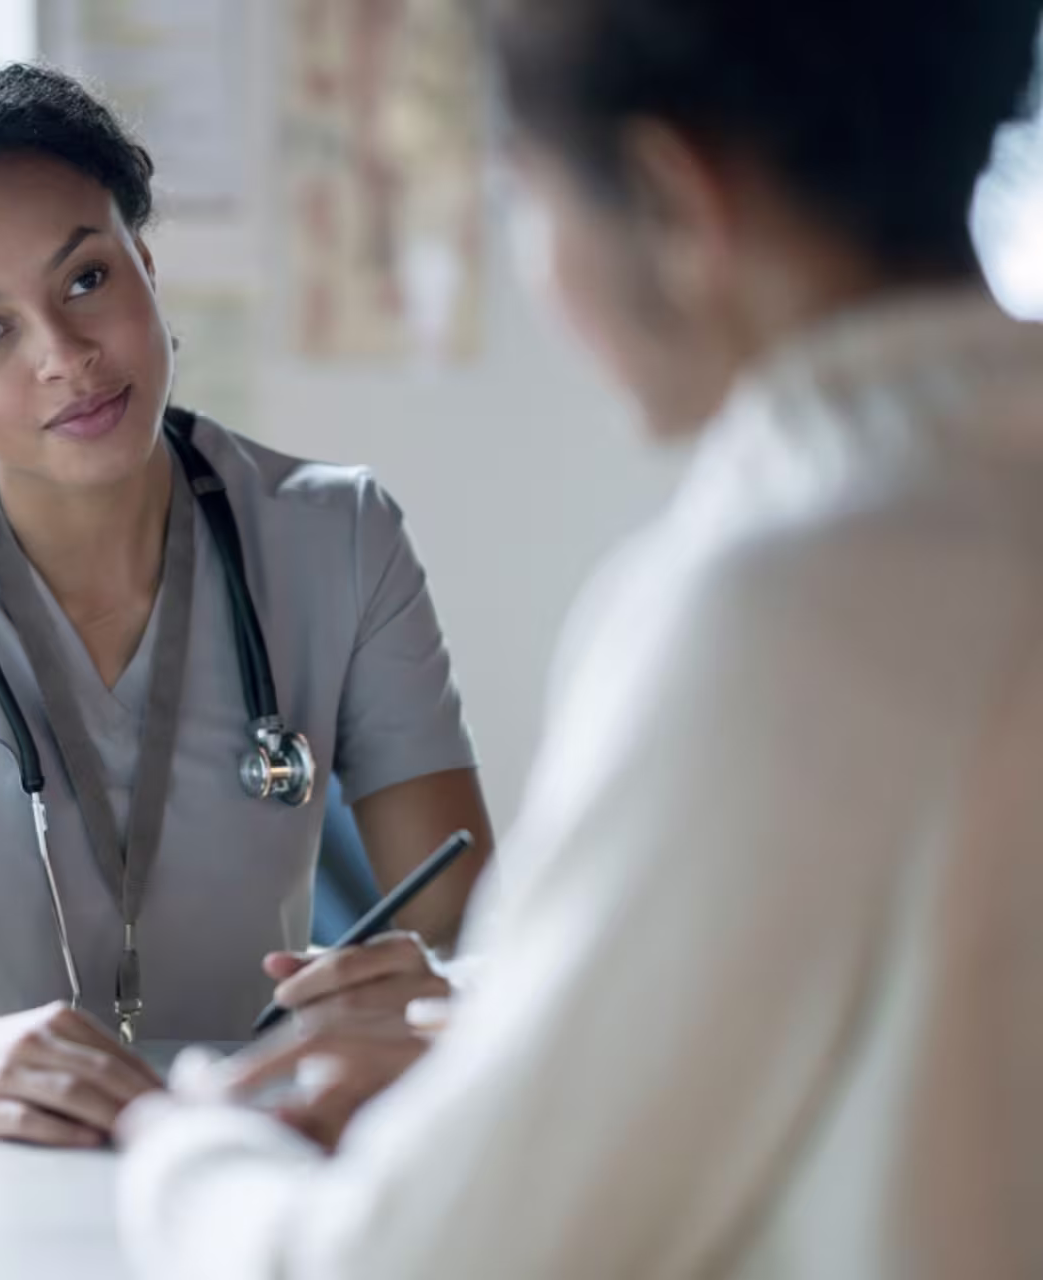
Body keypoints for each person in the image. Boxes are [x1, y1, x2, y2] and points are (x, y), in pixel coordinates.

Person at [117, 0, 1043, 1273]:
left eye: (523, 200)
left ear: (672, 197)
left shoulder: (782, 608)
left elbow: (416, 1260)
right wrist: (494, 1017)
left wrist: (192, 1147)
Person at [0, 64, 494, 1149]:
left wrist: (420, 986)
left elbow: (465, 924)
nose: (65, 357)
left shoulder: (339, 536)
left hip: (240, 1140)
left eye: (85, 280)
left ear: (148, 267)